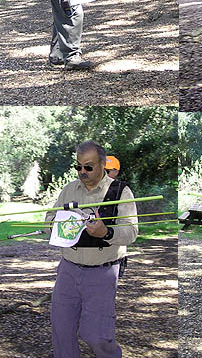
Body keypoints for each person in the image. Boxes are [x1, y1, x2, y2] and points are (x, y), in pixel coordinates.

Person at [47, 140, 138, 358]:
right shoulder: (69, 190)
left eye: (88, 166)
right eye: (78, 166)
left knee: (96, 335)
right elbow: (50, 219)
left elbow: (131, 232)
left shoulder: (120, 191)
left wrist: (105, 232)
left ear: (101, 164)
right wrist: (60, 225)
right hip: (68, 268)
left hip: (102, 271)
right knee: (61, 328)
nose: (82, 171)